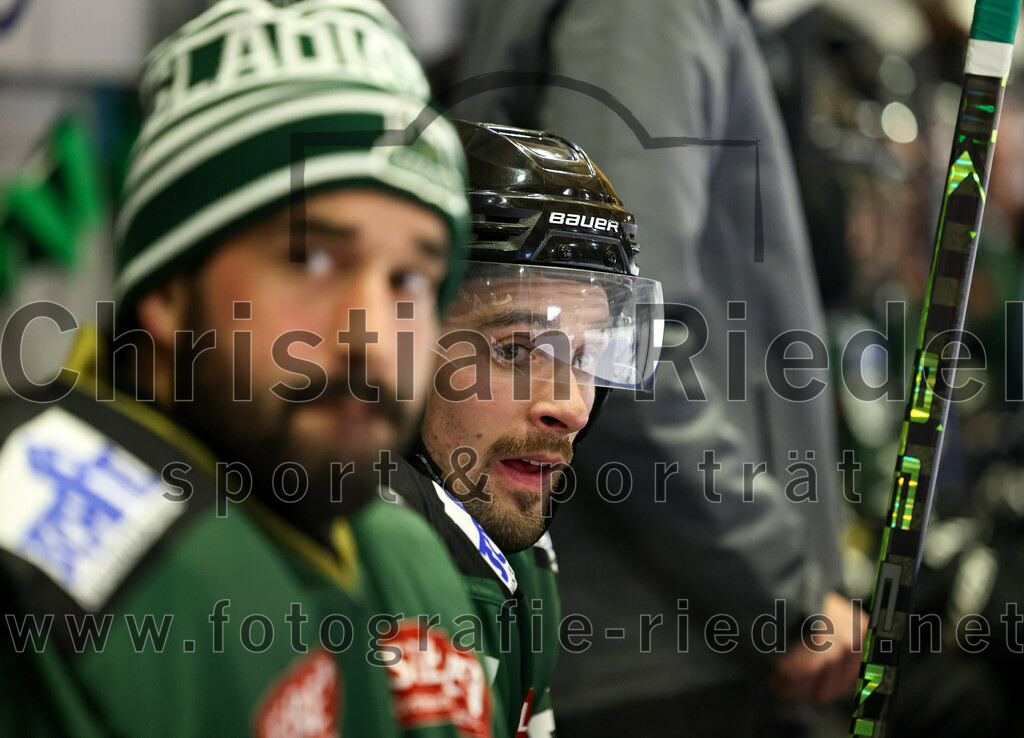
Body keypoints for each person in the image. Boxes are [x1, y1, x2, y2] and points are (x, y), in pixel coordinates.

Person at [0, 1, 498, 736]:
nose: (369, 336)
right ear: (169, 290)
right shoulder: (37, 579)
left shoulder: (408, 556)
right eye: (310, 258)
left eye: (410, 279)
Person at [450, 1, 864, 735]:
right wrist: (781, 595)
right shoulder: (645, 11)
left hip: (665, 631)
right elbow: (626, 346)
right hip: (671, 637)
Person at [392, 119, 663, 738]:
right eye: (515, 350)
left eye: (588, 356)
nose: (572, 408)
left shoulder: (527, 557)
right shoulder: (345, 568)